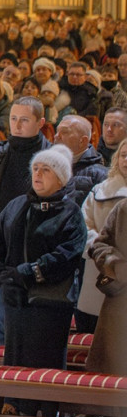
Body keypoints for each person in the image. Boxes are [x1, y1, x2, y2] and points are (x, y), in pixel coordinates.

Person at [0, 144, 86, 417]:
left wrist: (29, 272)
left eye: (46, 170)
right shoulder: (16, 206)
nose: (38, 175)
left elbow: (68, 254)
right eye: (35, 170)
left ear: (62, 179)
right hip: (16, 300)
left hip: (49, 302)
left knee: (45, 364)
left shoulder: (70, 212)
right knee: (17, 361)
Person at [0, 96, 51, 345]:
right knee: (3, 323)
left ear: (40, 123)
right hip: (0, 248)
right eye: (13, 119)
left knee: (36, 322)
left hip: (37, 249)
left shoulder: (53, 158)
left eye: (24, 120)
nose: (17, 125)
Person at [76, 141, 127, 335]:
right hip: (101, 269)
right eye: (123, 155)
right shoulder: (101, 190)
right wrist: (101, 250)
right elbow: (84, 226)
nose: (126, 160)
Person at [54, 115, 107, 206]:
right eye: (57, 131)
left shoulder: (101, 174)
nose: (56, 136)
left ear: (83, 141)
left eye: (64, 132)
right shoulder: (45, 166)